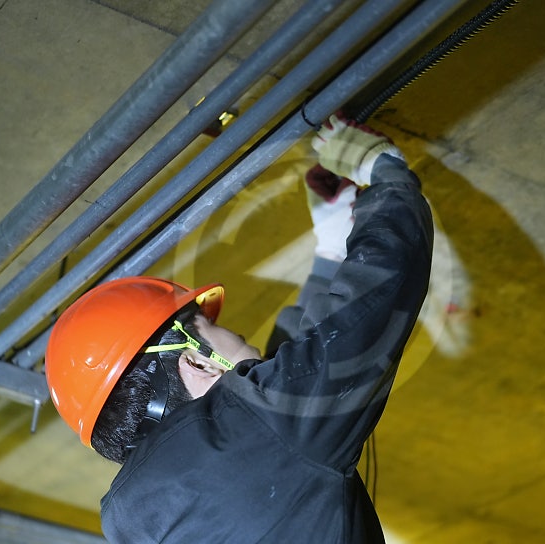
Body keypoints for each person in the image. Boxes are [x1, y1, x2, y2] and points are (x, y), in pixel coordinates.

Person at [45, 114, 434, 543]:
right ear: (197, 363)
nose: (234, 332)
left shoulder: (143, 523)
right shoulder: (261, 436)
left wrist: (331, 248)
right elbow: (376, 296)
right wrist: (383, 169)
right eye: (213, 324)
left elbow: (279, 395)